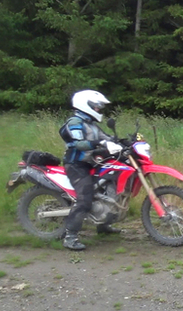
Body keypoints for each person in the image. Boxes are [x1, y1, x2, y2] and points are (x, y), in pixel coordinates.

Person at [58, 90, 123, 250]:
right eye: (96, 106)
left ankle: (103, 225)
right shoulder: (75, 122)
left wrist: (123, 142)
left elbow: (106, 138)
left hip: (92, 163)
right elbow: (79, 144)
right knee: (85, 198)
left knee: (109, 187)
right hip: (76, 165)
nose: (99, 109)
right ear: (85, 105)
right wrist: (98, 143)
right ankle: (70, 237)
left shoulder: (91, 124)